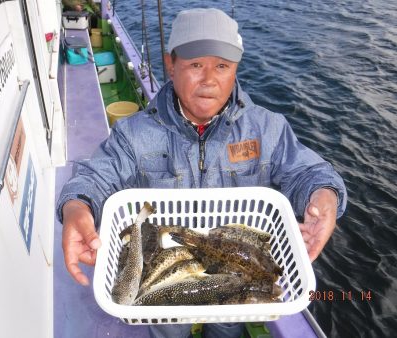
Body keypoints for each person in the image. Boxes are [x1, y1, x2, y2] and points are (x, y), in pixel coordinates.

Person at [57, 7, 347, 338]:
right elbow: (96, 176)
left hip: (233, 278)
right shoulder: (133, 134)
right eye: (196, 65)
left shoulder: (269, 129)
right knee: (168, 328)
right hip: (167, 271)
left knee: (227, 328)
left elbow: (307, 171)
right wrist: (77, 206)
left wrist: (323, 195)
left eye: (222, 66)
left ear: (235, 68)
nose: (209, 80)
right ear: (171, 64)